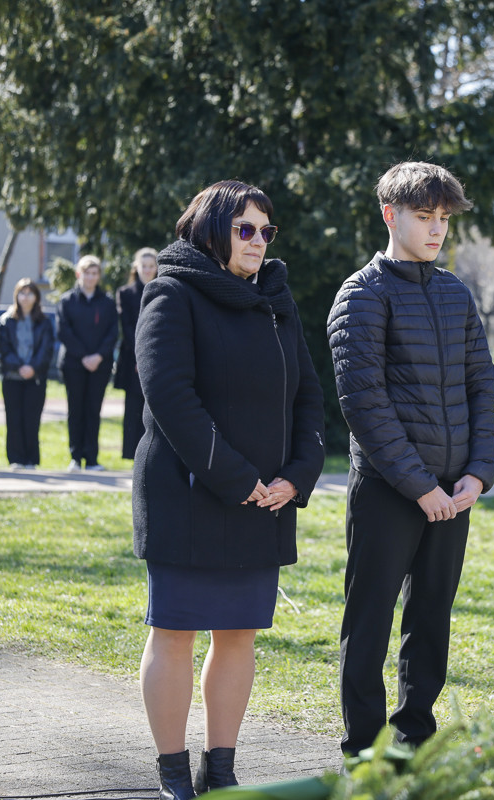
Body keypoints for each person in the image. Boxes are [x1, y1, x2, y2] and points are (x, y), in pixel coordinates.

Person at [134, 180, 324, 797]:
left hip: (266, 500)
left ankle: (221, 770)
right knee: (175, 632)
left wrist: (297, 475)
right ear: (213, 230)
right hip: (188, 496)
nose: (258, 241)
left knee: (238, 633)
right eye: (245, 229)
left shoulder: (275, 299)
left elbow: (308, 395)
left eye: (266, 230)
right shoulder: (171, 292)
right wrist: (239, 479)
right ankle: (172, 774)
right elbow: (170, 397)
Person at [327, 161, 494, 756]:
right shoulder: (361, 295)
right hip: (388, 490)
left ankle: (414, 743)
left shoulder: (455, 293)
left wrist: (477, 474)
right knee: (369, 622)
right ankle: (364, 752)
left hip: (455, 491)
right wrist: (421, 487)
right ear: (390, 215)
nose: (436, 229)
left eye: (443, 218)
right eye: (424, 216)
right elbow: (364, 405)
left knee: (430, 619)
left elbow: (481, 387)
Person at [57, 254, 117, 472]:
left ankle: (91, 459)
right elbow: (64, 331)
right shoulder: (67, 301)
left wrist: (98, 356)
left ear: (99, 276)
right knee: (76, 410)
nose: (90, 277)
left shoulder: (107, 302)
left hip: (100, 366)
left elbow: (113, 332)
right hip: (74, 365)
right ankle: (75, 458)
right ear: (78, 274)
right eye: (87, 273)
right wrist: (83, 356)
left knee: (93, 411)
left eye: (94, 273)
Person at [0, 278, 55, 469]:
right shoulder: (7, 320)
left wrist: (33, 368)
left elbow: (46, 349)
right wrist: (19, 367)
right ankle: (16, 458)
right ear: (16, 295)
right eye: (22, 293)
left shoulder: (44, 322)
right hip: (12, 377)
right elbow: (4, 349)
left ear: (36, 297)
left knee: (32, 419)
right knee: (13, 418)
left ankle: (31, 459)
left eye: (30, 293)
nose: (26, 297)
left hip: (35, 378)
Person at [114, 247, 157, 460]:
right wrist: (141, 356)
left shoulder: (164, 289)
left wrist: (150, 356)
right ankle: (131, 455)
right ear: (136, 267)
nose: (147, 270)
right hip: (133, 359)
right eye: (143, 266)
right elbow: (128, 327)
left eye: (151, 266)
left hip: (157, 357)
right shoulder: (125, 293)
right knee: (132, 408)